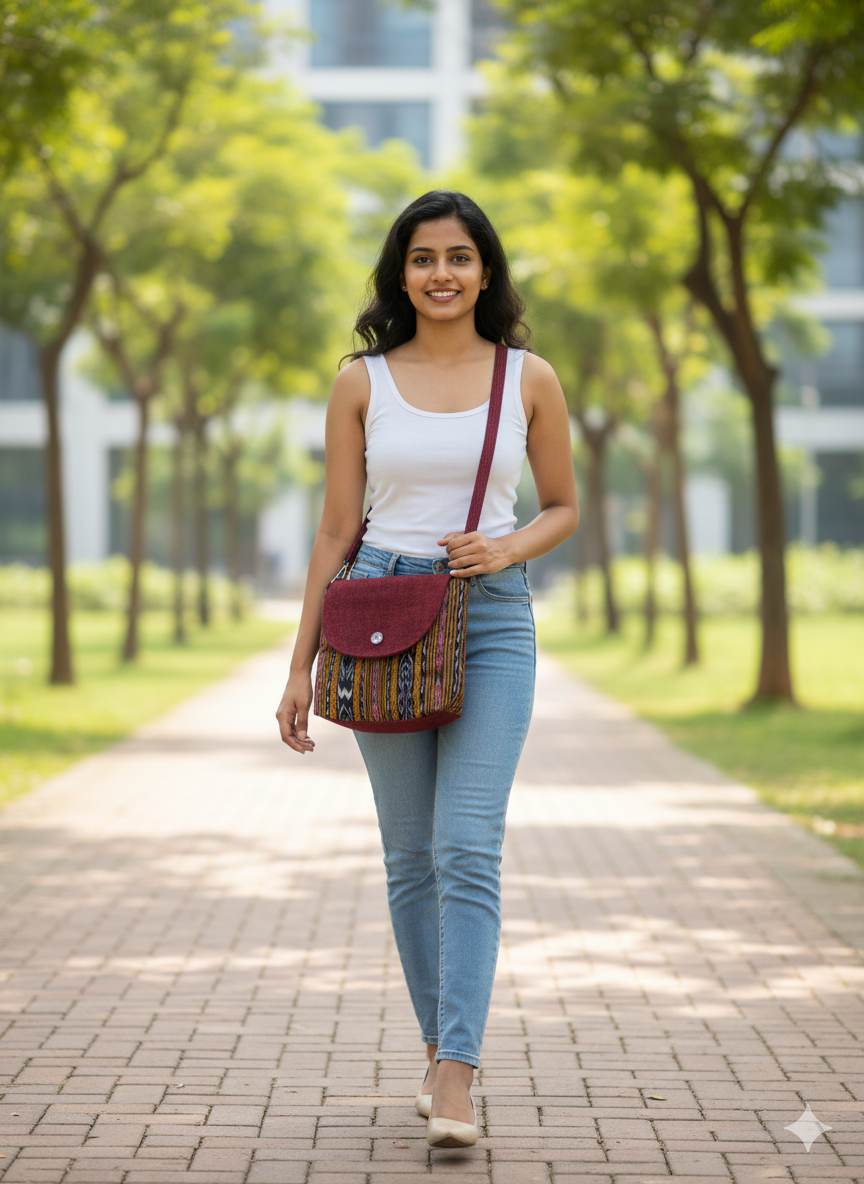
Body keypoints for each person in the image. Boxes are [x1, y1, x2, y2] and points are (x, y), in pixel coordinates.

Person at [276, 190, 579, 1148]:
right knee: (410, 858)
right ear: (398, 273)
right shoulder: (361, 382)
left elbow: (564, 506)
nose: (440, 274)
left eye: (458, 256)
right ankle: (438, 1047)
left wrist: (509, 547)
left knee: (465, 844)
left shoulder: (528, 377)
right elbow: (334, 527)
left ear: (486, 270)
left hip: (488, 619)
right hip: (377, 615)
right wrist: (299, 669)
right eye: (421, 258)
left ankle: (457, 1075)